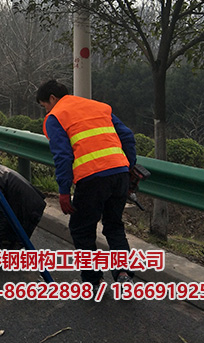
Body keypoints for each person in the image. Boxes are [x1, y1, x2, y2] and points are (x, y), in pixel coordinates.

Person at [36, 79, 136, 288]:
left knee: (82, 229)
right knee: (114, 225)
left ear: (52, 98)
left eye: (45, 106)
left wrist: (64, 190)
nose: (46, 111)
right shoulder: (98, 106)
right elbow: (127, 136)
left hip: (92, 178)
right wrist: (128, 166)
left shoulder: (55, 116)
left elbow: (63, 156)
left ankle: (94, 280)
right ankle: (123, 274)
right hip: (119, 173)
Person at [0, 163, 46, 250]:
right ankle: (6, 240)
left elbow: (6, 216)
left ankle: (7, 240)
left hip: (29, 210)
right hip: (27, 202)